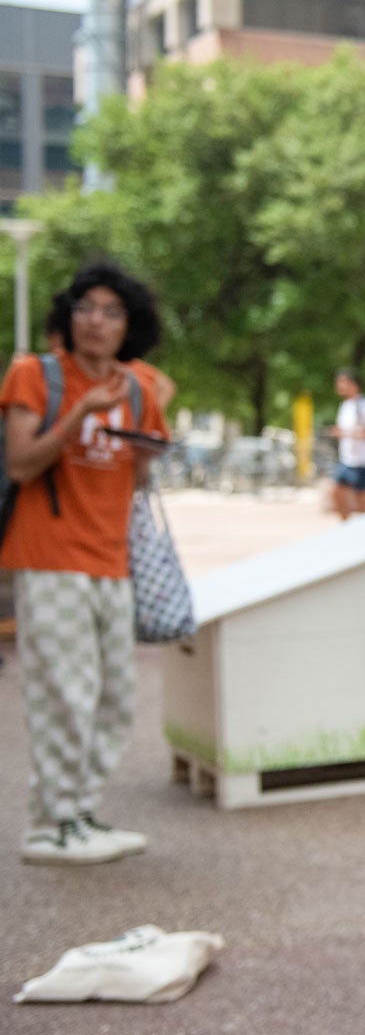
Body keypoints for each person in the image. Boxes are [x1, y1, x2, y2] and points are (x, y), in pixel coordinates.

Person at [5, 262, 168, 864]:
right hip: (48, 555)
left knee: (116, 697)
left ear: (131, 325)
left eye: (110, 311)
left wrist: (148, 449)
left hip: (111, 558)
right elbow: (21, 463)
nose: (95, 321)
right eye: (84, 308)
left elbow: (138, 473)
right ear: (67, 317)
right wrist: (79, 416)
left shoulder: (139, 388)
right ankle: (50, 824)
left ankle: (79, 810)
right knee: (65, 695)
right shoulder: (35, 375)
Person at [329, 368, 365, 519]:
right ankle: (345, 525)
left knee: (363, 495)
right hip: (348, 458)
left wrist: (346, 433)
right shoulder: (345, 406)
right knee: (337, 490)